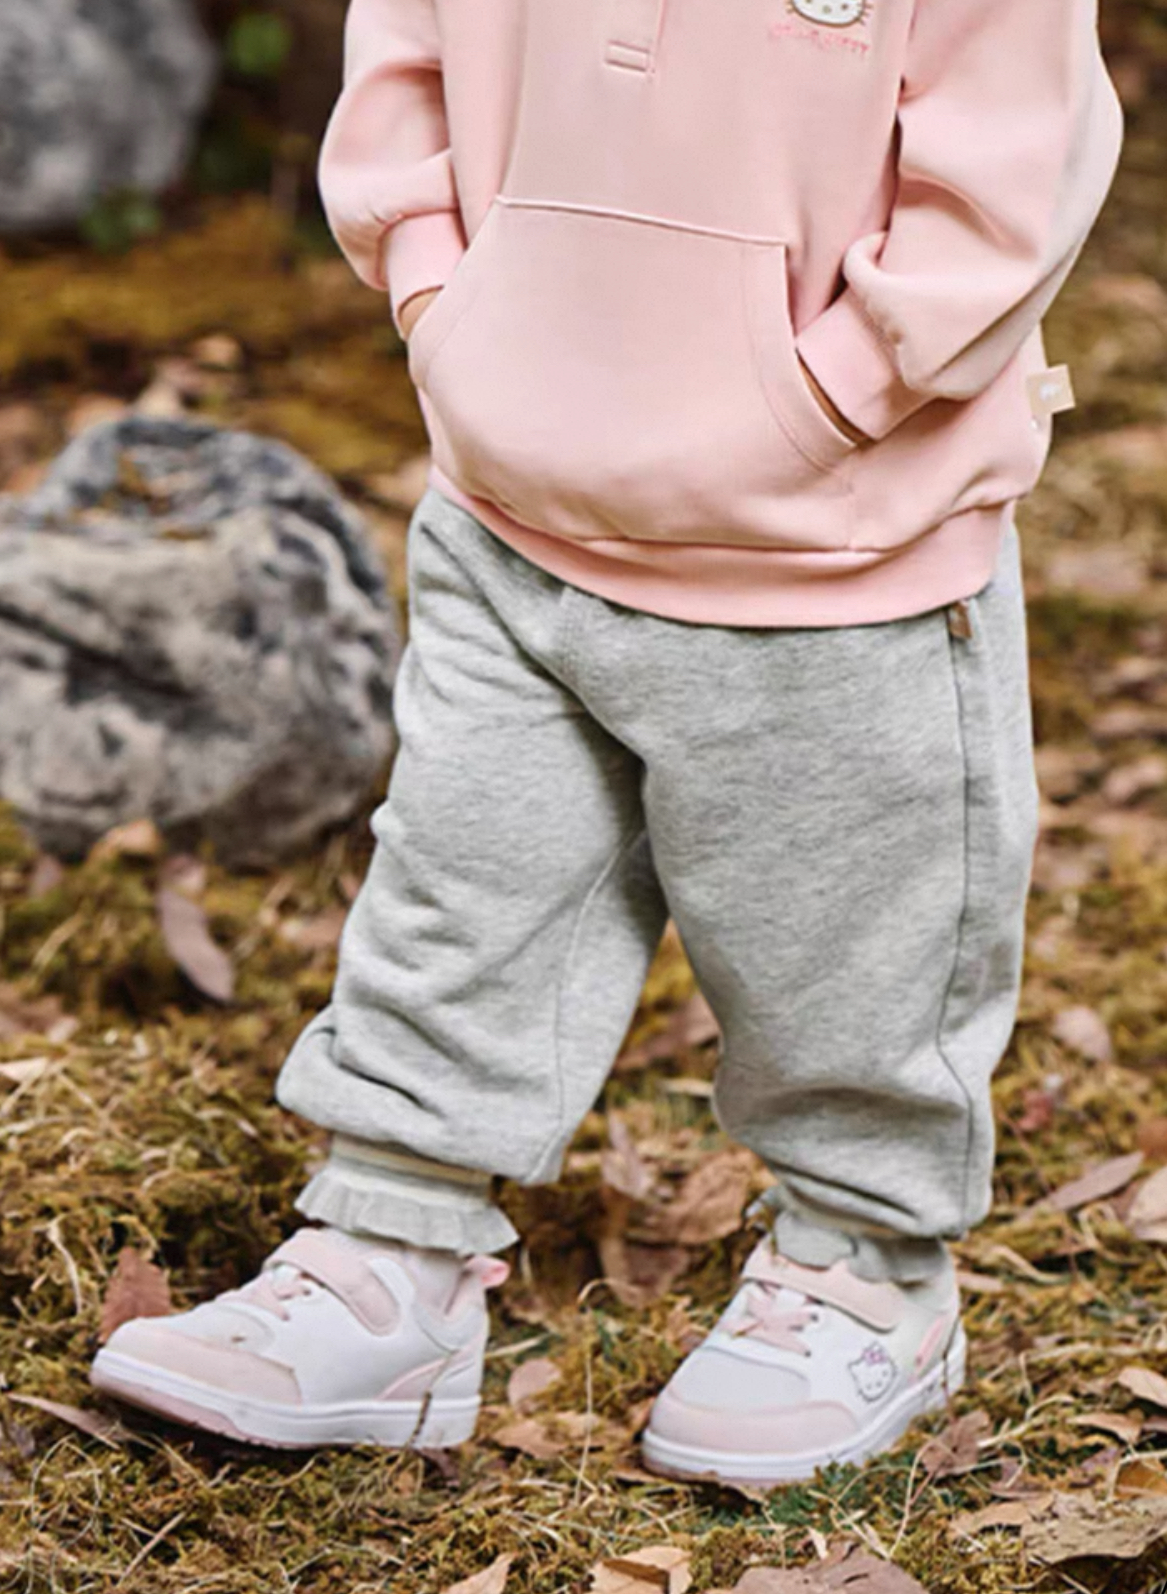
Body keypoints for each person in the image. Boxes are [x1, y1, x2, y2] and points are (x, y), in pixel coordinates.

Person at [91, 0, 1123, 1487]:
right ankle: (391, 1250)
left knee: (847, 944)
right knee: (460, 886)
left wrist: (826, 395)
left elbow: (1014, 159)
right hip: (513, 511)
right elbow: (406, 60)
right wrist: (440, 297)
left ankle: (865, 1271)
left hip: (832, 560)